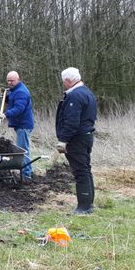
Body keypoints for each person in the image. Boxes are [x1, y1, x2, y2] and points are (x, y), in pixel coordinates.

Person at [56, 67, 97, 214]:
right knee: (86, 169)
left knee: (80, 172)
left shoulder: (75, 96)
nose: (63, 84)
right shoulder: (87, 92)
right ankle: (88, 204)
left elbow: (71, 121)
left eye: (63, 82)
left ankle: (84, 207)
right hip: (86, 136)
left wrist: (63, 140)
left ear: (67, 81)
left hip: (77, 139)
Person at [0, 71, 35, 183]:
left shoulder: (21, 92)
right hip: (20, 124)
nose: (10, 83)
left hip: (24, 125)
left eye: (12, 80)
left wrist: (5, 114)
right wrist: (5, 97)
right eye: (8, 80)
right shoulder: (15, 91)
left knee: (23, 151)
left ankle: (27, 176)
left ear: (18, 79)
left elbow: (19, 108)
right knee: (23, 149)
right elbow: (13, 101)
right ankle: (27, 172)